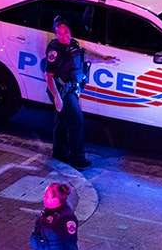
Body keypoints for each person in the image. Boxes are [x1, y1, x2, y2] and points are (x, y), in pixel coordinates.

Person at [43, 16, 116, 169]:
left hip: (72, 89)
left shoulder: (74, 44)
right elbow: (48, 76)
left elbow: (83, 58)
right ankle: (77, 159)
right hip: (61, 91)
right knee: (76, 123)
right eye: (60, 33)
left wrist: (103, 59)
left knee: (62, 122)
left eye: (66, 32)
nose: (64, 36)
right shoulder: (55, 51)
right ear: (56, 34)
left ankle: (60, 153)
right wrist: (57, 97)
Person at [30, 182, 82, 250]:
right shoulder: (48, 212)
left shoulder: (66, 218)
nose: (44, 198)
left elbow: (69, 243)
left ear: (55, 200)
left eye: (47, 197)